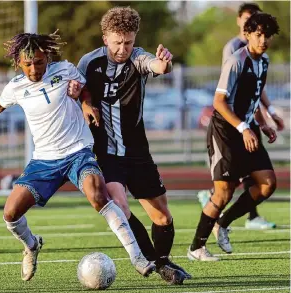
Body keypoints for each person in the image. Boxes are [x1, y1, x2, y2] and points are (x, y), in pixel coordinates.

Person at [0, 31, 156, 282]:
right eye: (27, 64)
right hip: (44, 161)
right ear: (18, 62)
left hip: (78, 152)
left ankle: (138, 258)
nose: (34, 68)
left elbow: (83, 91)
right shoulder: (16, 87)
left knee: (98, 194)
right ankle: (31, 246)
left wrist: (84, 103)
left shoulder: (64, 70)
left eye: (39, 62)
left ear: (47, 57)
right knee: (10, 213)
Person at [75, 6, 190, 285]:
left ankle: (162, 260)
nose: (122, 49)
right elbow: (78, 90)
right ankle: (153, 262)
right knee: (120, 205)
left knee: (162, 217)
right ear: (105, 39)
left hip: (138, 151)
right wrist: (85, 101)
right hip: (106, 153)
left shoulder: (138, 58)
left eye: (128, 42)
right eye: (117, 42)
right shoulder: (89, 62)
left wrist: (165, 63)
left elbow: (158, 66)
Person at [187, 12, 280, 261]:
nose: (262, 40)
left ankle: (223, 223)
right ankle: (196, 247)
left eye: (267, 35)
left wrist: (264, 123)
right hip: (226, 131)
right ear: (247, 34)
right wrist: (244, 128)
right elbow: (219, 102)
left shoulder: (265, 61)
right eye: (258, 34)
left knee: (267, 183)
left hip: (247, 127)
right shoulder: (236, 60)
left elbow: (254, 98)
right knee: (223, 192)